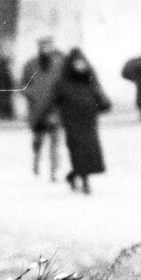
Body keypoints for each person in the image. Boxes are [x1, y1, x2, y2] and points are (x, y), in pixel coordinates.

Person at [43, 48, 111, 194]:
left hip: (89, 122)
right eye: (77, 63)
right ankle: (85, 182)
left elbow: (102, 101)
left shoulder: (89, 81)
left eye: (82, 63)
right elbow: (52, 101)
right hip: (72, 123)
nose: (80, 66)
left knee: (90, 152)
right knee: (78, 152)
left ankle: (73, 176)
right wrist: (47, 116)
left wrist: (99, 105)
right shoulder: (62, 83)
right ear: (71, 65)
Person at [20, 35, 64, 179]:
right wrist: (30, 93)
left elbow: (65, 83)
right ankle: (36, 162)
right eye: (43, 46)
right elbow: (22, 85)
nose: (45, 49)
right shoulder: (30, 64)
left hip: (53, 108)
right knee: (38, 140)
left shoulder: (59, 64)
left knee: (54, 139)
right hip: (36, 109)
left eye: (48, 46)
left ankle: (53, 171)